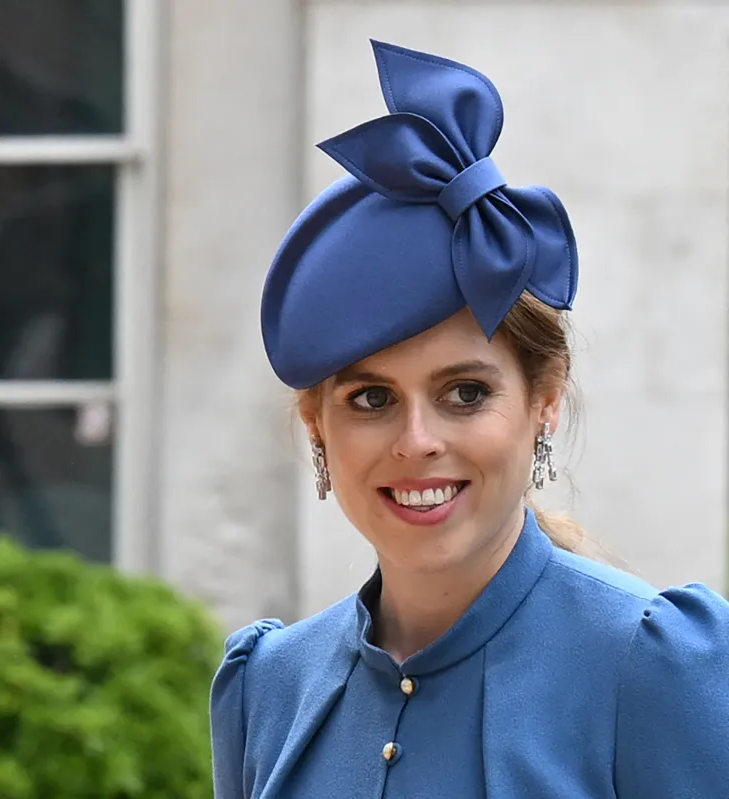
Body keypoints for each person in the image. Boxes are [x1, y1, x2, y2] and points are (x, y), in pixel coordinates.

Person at [210, 40, 729, 798]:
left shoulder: (659, 669)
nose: (418, 441)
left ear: (544, 400)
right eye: (371, 398)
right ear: (317, 425)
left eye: (465, 393)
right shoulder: (267, 690)